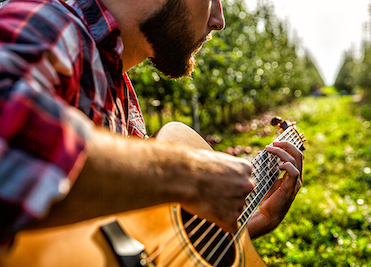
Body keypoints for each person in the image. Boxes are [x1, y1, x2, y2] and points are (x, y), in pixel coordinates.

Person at [0, 0, 303, 249]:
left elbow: (126, 243)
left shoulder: (120, 90)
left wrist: (236, 232)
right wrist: (192, 174)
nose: (218, 20)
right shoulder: (49, 27)